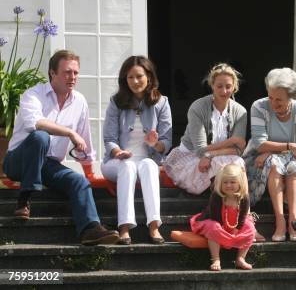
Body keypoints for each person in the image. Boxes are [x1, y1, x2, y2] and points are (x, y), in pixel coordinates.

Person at [3, 50, 119, 245]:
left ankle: (90, 230)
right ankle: (24, 199)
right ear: (52, 73)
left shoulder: (79, 101)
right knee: (41, 137)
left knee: (78, 182)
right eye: (67, 72)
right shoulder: (33, 94)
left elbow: (85, 140)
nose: (72, 77)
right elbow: (37, 123)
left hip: (47, 165)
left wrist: (90, 172)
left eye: (75, 73)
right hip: (18, 161)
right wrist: (69, 133)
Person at [101, 56, 172, 245]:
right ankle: (124, 227)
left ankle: (154, 225)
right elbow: (109, 139)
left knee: (149, 165)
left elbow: (166, 142)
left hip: (147, 159)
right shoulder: (116, 102)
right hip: (117, 161)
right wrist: (118, 153)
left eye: (139, 76)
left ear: (149, 76)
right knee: (128, 167)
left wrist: (154, 144)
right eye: (130, 77)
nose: (134, 81)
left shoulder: (162, 103)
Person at [244, 68, 296, 242]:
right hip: (258, 162)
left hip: (287, 160)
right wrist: (288, 145)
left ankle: (293, 221)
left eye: (279, 100)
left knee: (292, 166)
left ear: (291, 97)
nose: (273, 103)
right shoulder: (259, 106)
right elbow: (259, 144)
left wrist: (269, 150)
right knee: (275, 163)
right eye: (271, 97)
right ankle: (281, 222)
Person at [164, 63, 247, 195]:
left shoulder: (240, 111)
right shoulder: (198, 107)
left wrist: (211, 154)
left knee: (237, 162)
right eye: (219, 86)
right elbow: (200, 150)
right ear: (212, 85)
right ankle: (220, 204)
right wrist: (232, 140)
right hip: (191, 156)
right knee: (223, 165)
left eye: (228, 86)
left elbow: (238, 150)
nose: (224, 91)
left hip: (217, 156)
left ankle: (236, 208)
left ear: (234, 87)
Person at [190, 164, 255, 271]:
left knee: (250, 227)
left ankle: (240, 258)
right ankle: (216, 259)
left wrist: (236, 229)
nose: (228, 185)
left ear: (240, 183)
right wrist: (224, 231)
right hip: (215, 221)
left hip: (234, 223)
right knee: (214, 227)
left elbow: (242, 217)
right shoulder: (217, 196)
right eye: (225, 182)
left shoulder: (244, 197)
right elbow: (215, 216)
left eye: (232, 182)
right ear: (220, 183)